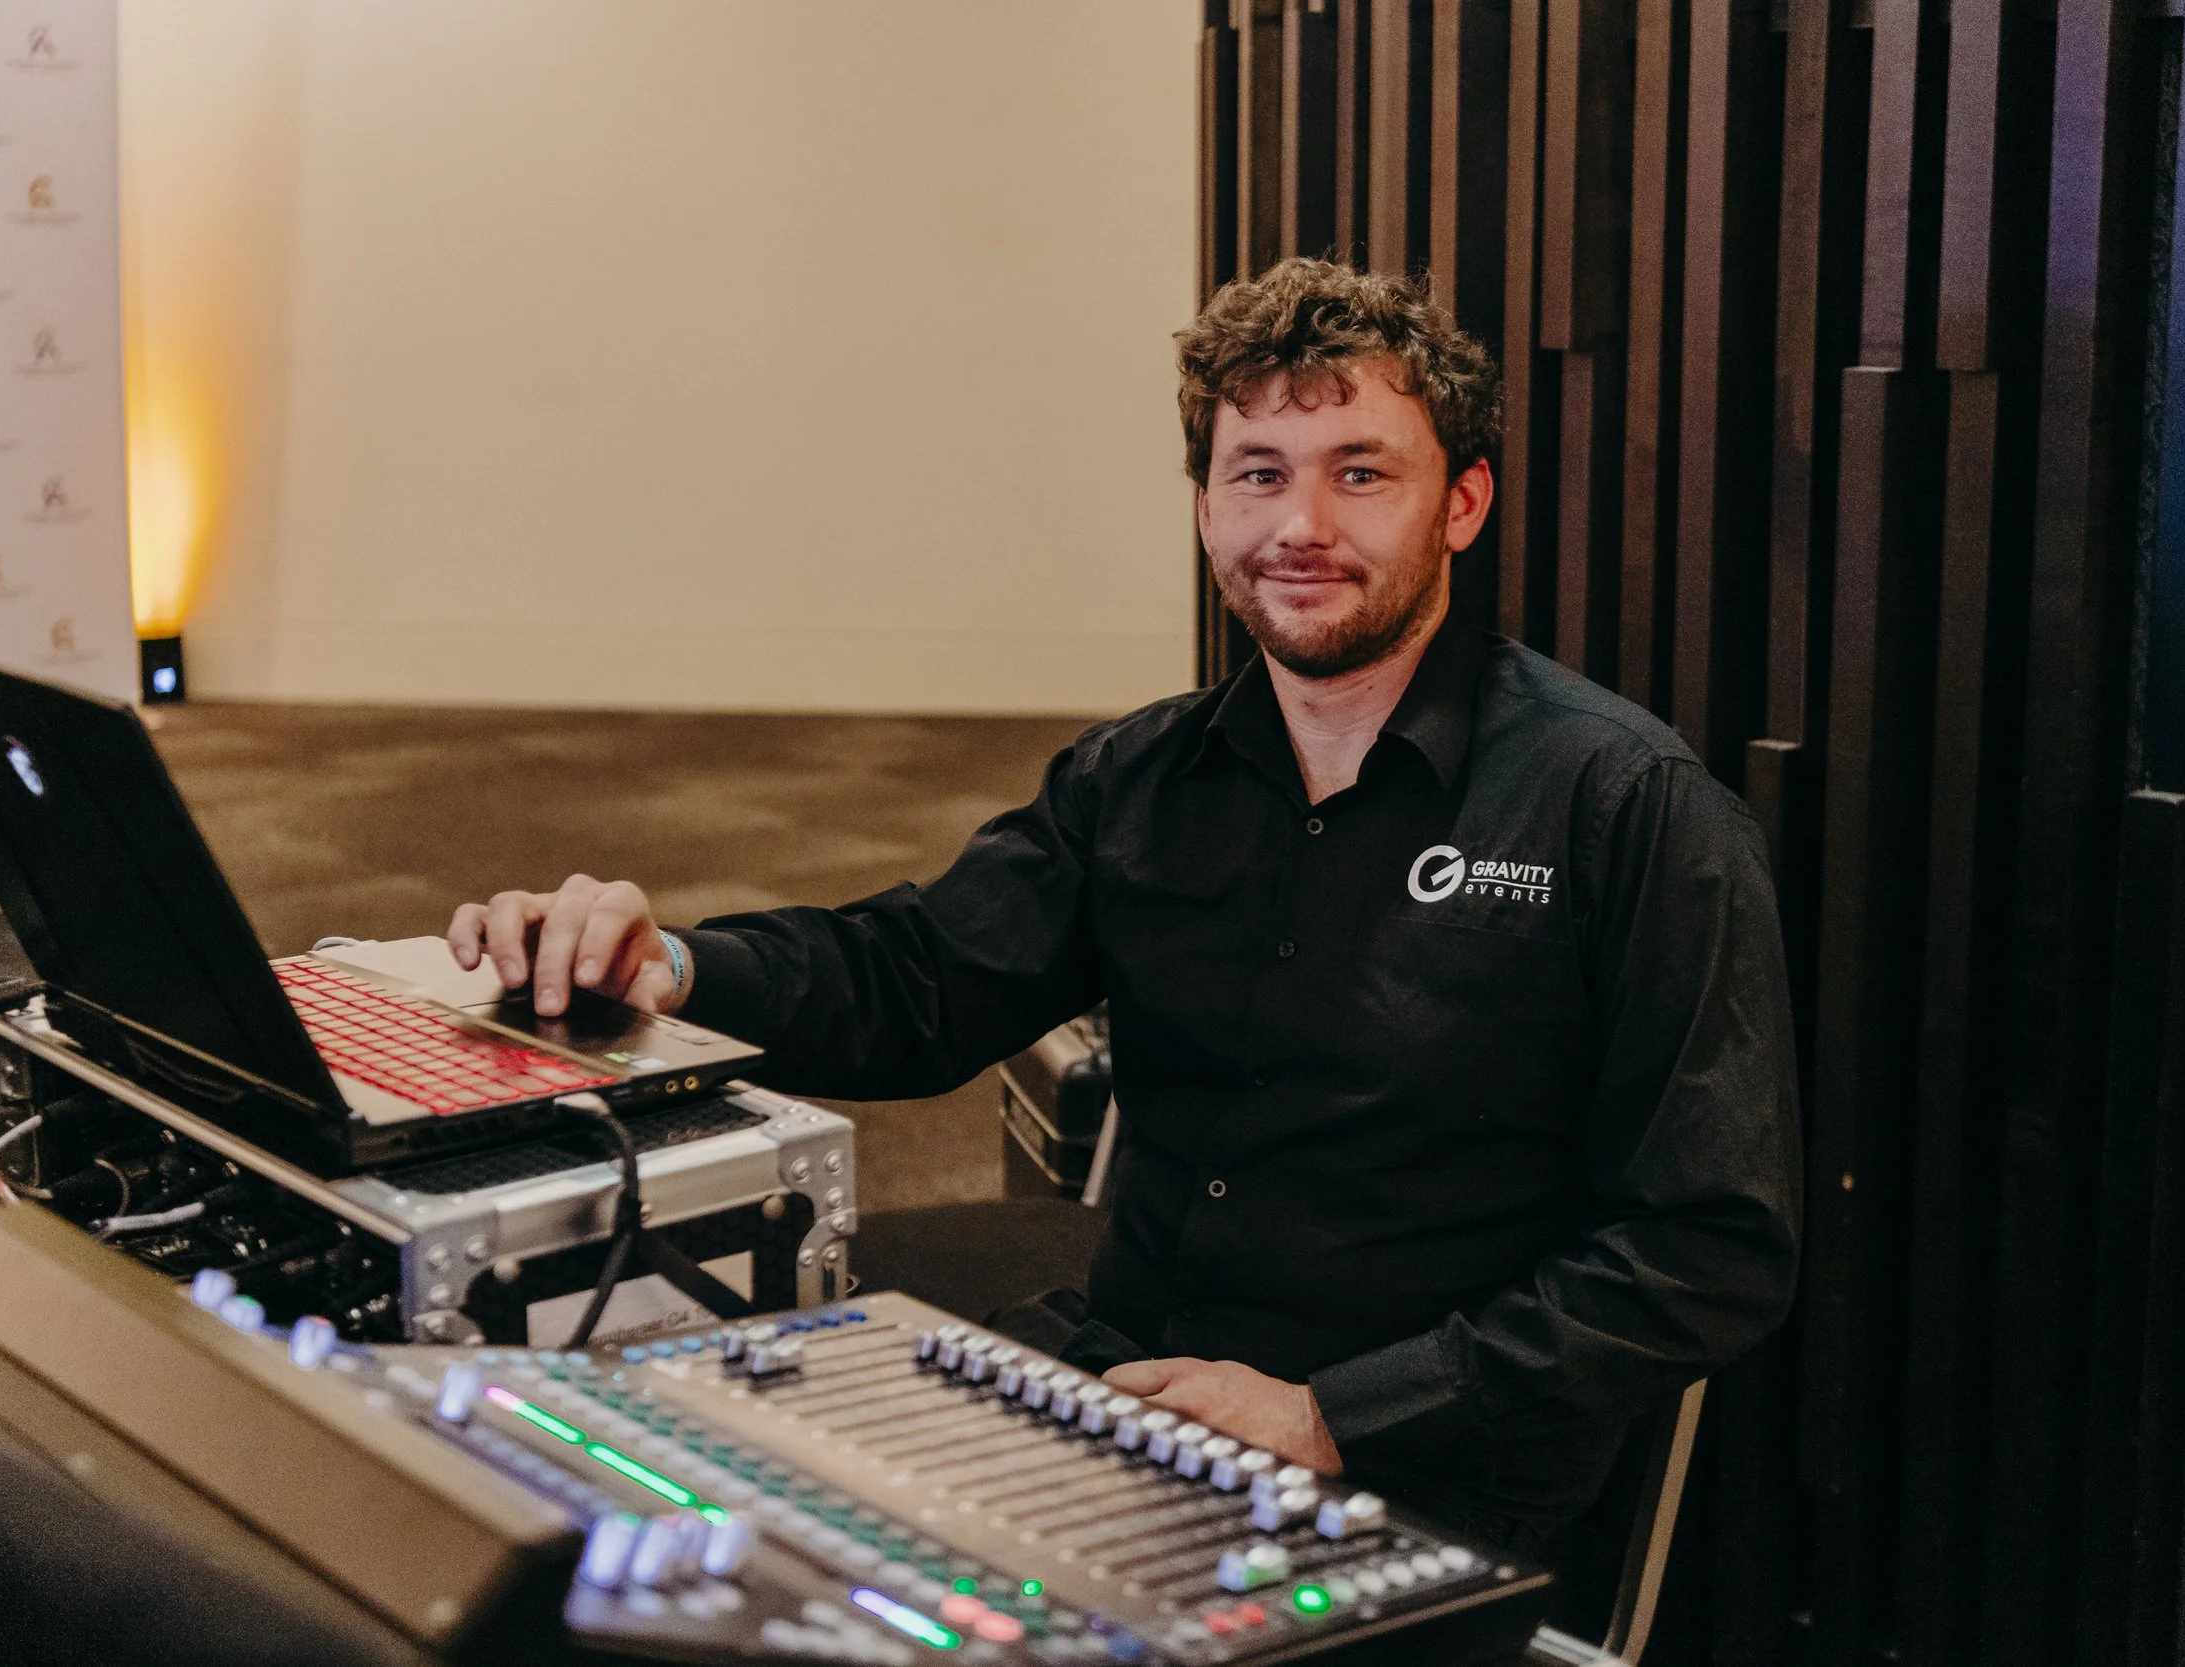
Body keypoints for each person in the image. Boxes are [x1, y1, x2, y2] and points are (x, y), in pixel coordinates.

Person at [447, 258, 1801, 1558]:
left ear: (1462, 502)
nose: (1301, 526)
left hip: (1417, 1476)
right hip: (1123, 1395)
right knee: (672, 1535)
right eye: (1257, 473)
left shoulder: (1627, 808)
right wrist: (671, 967)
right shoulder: (1139, 778)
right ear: (1206, 505)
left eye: (1361, 473)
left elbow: (1707, 1246)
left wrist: (1332, 1417)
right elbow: (917, 979)